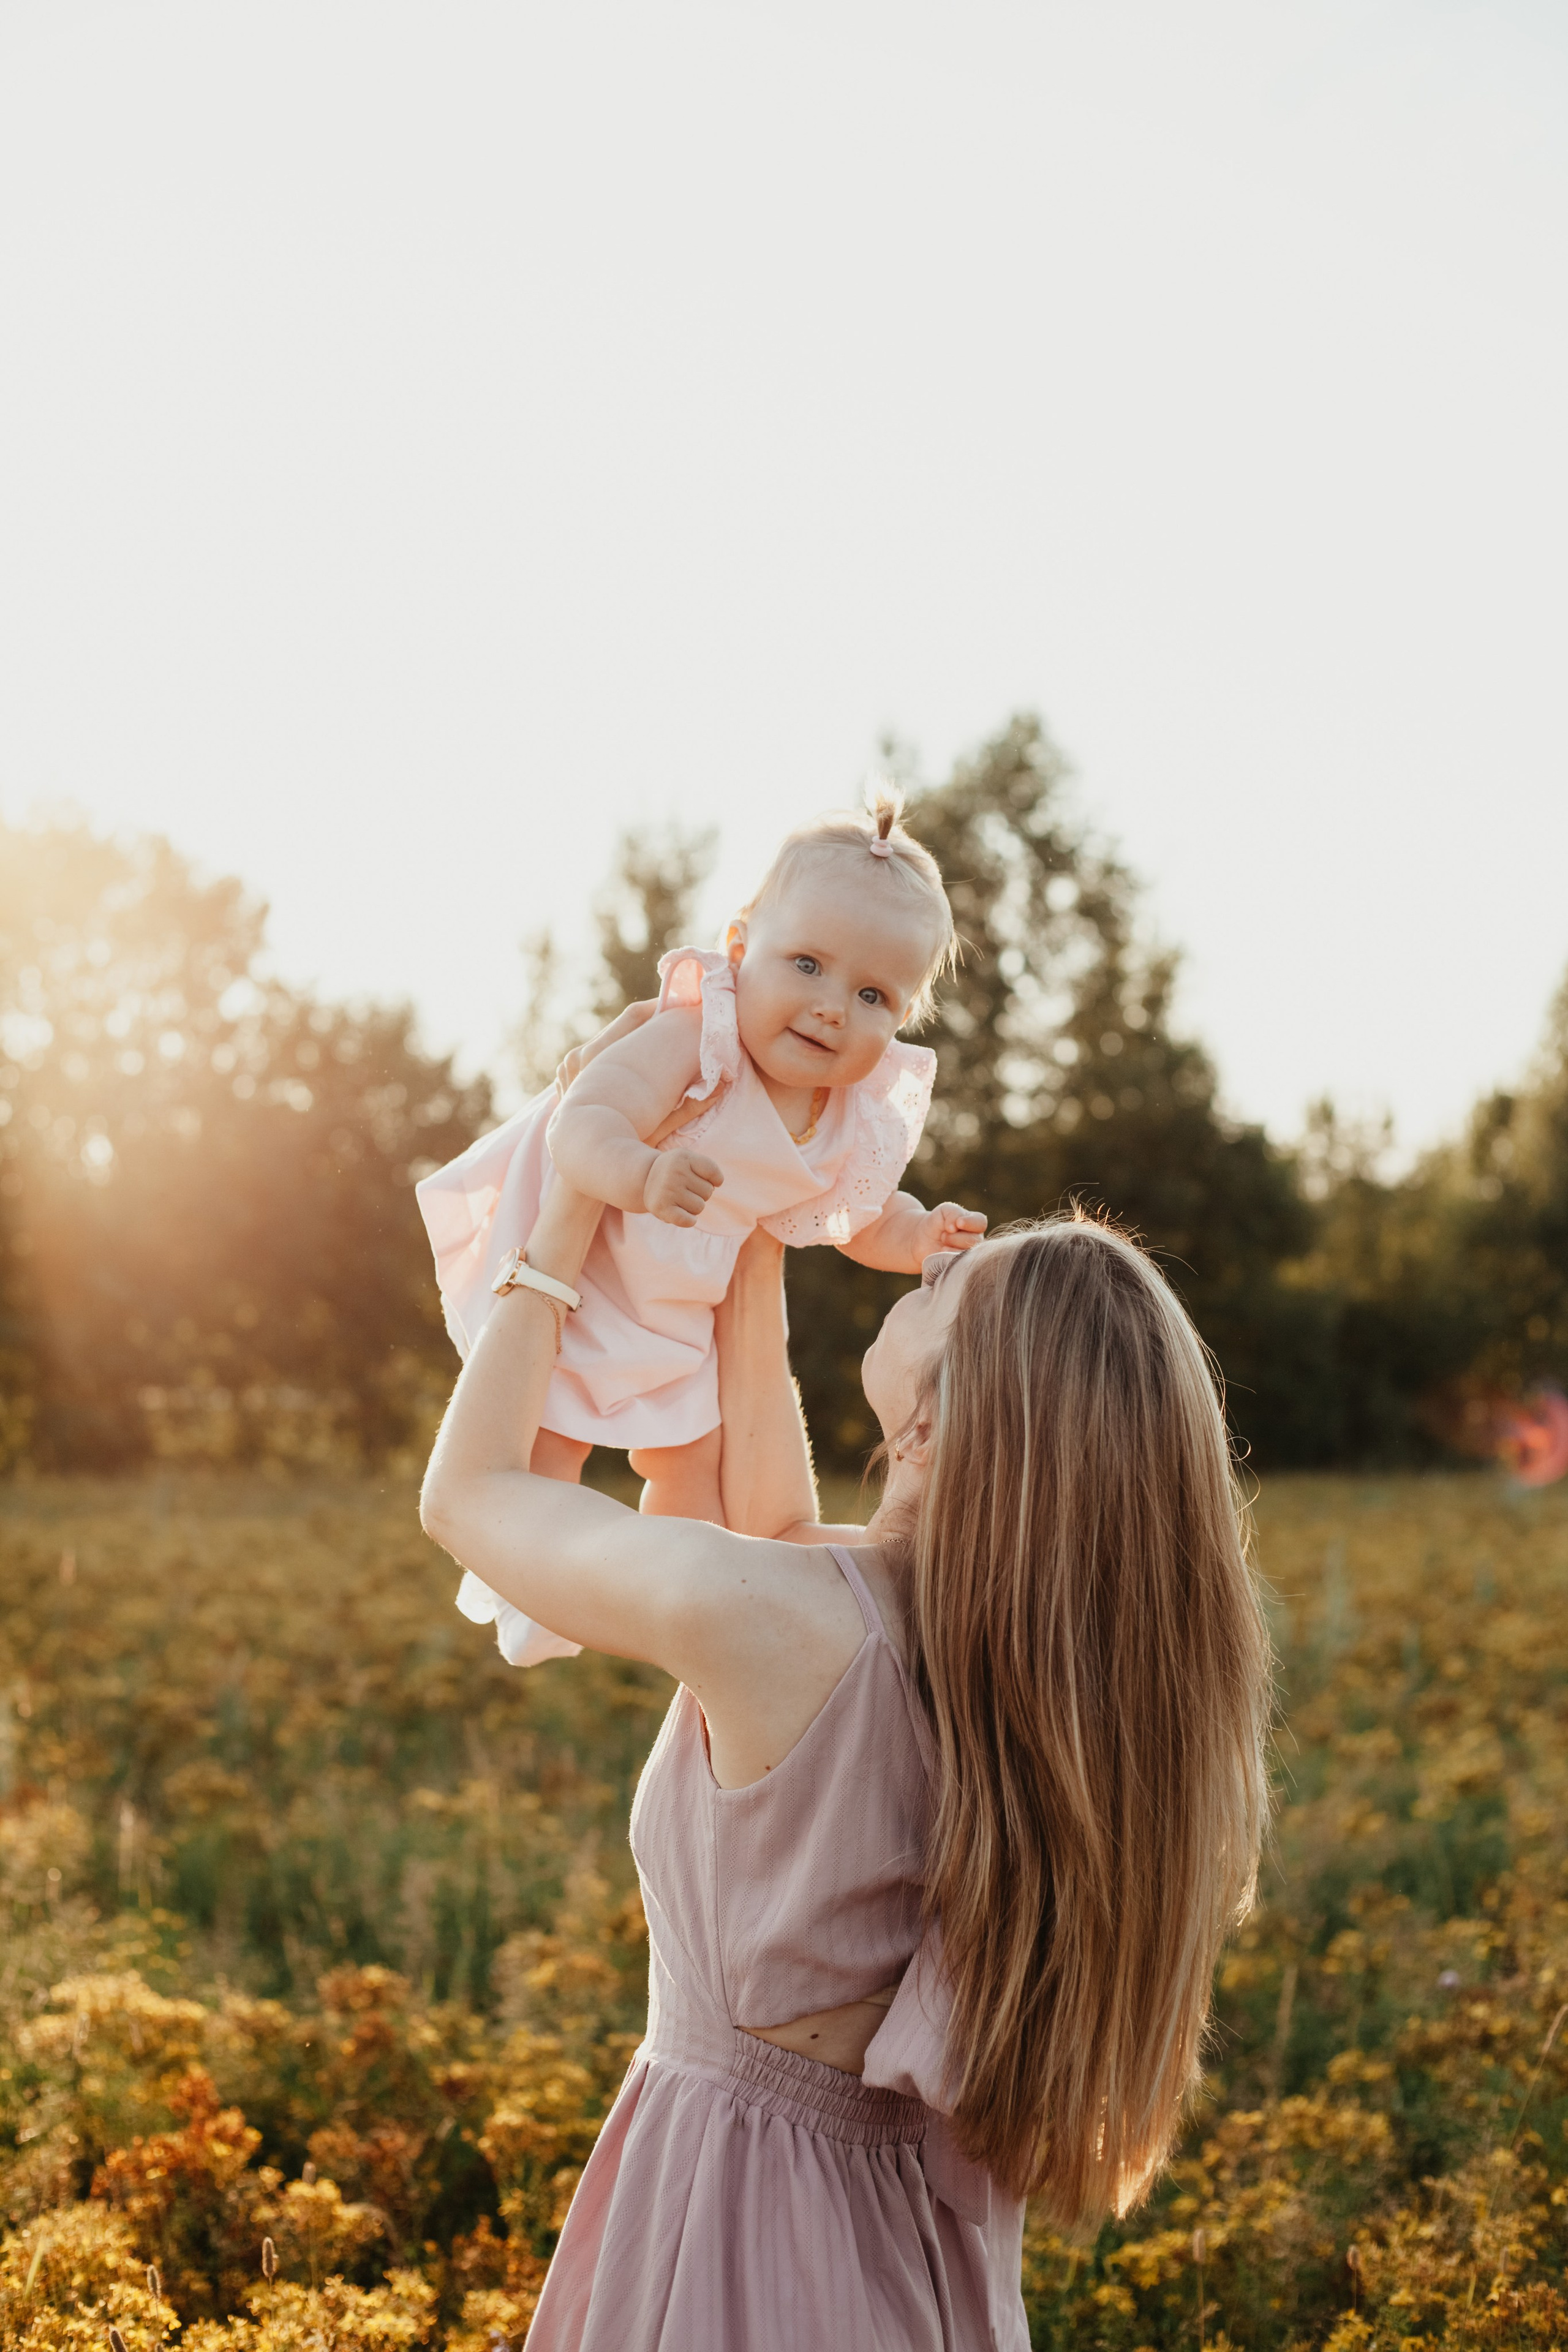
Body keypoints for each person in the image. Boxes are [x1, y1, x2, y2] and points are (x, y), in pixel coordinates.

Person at [419, 1172, 1274, 2350]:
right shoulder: (1030, 1659)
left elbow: (469, 1497)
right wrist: (755, 1242)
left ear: (933, 1422)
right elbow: (772, 1533)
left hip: (742, 2229)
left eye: (939, 1287)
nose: (916, 1269)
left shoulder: (787, 1622)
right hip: (912, 2249)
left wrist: (563, 1213)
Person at [415, 788, 985, 1664]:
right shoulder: (697, 1039)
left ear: (901, 1016)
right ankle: (530, 1589)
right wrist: (642, 1171)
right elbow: (585, 1119)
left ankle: (680, 1587)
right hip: (598, 1261)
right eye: (806, 965)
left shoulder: (847, 1115)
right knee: (550, 1436)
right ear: (739, 947)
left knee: (693, 1459)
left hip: (689, 1295)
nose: (832, 1005)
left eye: (871, 993)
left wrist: (916, 1237)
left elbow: (859, 1215)